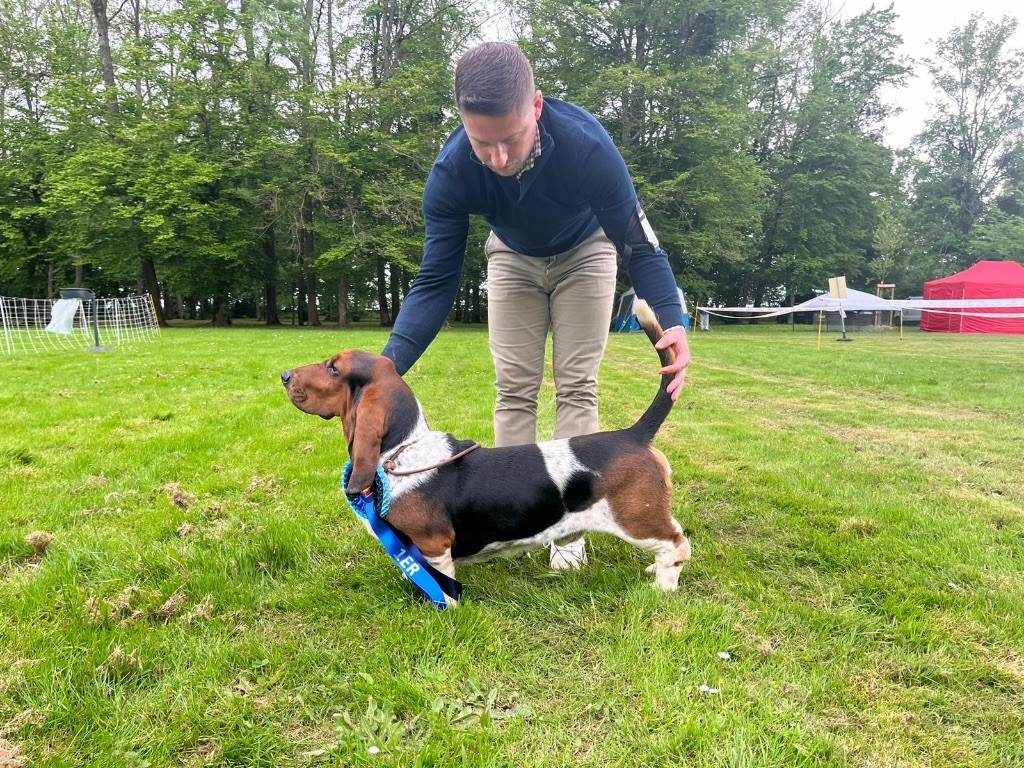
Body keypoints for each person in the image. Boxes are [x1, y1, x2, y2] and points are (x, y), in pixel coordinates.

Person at [381, 42, 690, 569]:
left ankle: (571, 532)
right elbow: (436, 280)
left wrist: (674, 318)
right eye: (483, 143)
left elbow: (639, 242)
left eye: (511, 138)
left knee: (575, 382)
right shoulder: (452, 171)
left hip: (587, 252)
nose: (498, 159)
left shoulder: (587, 144)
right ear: (462, 124)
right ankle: (515, 521)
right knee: (515, 386)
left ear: (537, 108)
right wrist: (387, 369)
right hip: (511, 258)